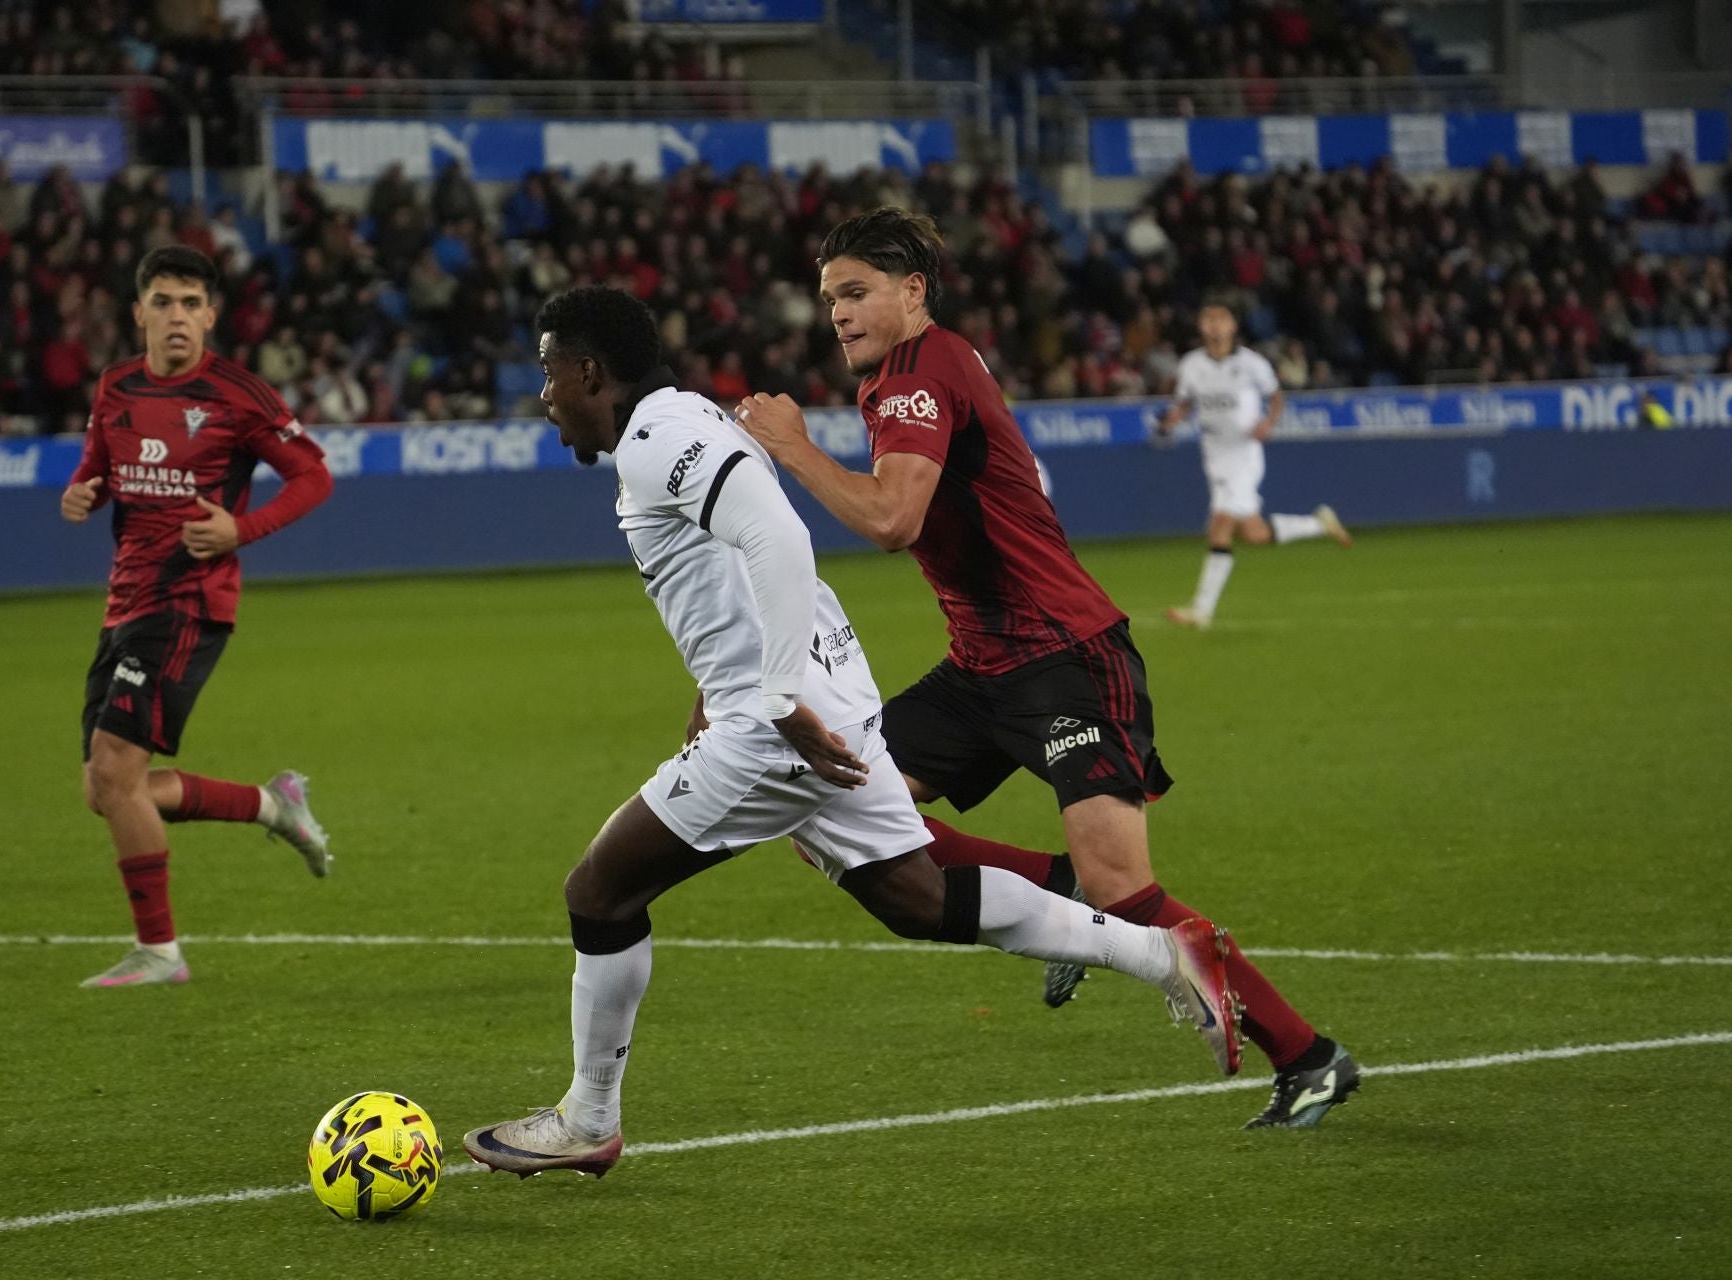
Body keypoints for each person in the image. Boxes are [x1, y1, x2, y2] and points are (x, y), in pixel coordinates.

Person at [461, 286, 1244, 1179]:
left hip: (781, 723)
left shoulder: (654, 441)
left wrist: (773, 692)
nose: (544, 393)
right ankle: (1156, 950)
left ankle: (588, 1119)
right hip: (823, 696)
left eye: (549, 371)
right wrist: (727, 685)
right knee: (912, 896)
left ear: (591, 370)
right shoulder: (681, 422)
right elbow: (733, 573)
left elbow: (779, 542)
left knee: (599, 893)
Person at [734, 210, 1359, 1130]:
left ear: (913, 294)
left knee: (1125, 888)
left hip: (1066, 657)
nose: (838, 314)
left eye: (856, 292)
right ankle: (1050, 888)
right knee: (826, 799)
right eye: (831, 299)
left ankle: (1309, 1055)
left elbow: (893, 519)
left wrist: (793, 448)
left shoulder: (913, 378)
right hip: (983, 666)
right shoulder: (931, 362)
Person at [61, 246, 336, 989]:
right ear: (139, 312)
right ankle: (271, 807)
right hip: (125, 600)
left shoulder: (237, 394)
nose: (176, 316)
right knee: (105, 790)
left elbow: (314, 475)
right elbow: (96, 464)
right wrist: (82, 491)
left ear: (211, 315)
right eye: (162, 301)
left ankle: (160, 952)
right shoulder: (116, 384)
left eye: (190, 303)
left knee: (116, 774)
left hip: (189, 601)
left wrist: (239, 532)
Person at [1156, 299, 1351, 630]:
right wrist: (1172, 420)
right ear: (1201, 327)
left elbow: (1276, 397)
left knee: (1219, 527)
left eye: (1220, 319)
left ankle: (1201, 610)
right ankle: (1320, 524)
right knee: (1254, 533)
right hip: (1214, 454)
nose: (1214, 325)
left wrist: (1268, 423)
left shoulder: (1251, 364)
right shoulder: (1191, 366)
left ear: (1232, 326)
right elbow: (1186, 403)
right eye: (1207, 319)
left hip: (1244, 454)